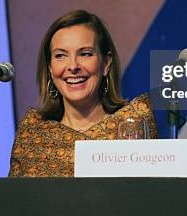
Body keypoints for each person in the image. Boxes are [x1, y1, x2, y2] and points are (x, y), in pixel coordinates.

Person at [10, 10, 157, 177]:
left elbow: (149, 196)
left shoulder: (132, 124)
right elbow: (14, 201)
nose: (73, 66)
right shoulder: (32, 132)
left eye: (85, 54)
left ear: (106, 63)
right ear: (50, 68)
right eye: (60, 55)